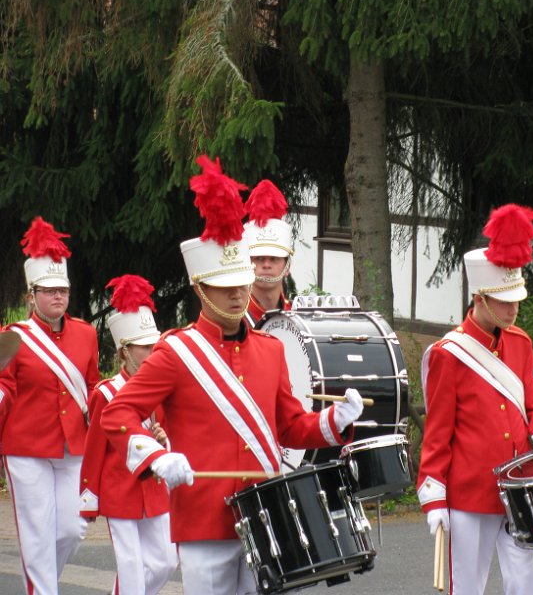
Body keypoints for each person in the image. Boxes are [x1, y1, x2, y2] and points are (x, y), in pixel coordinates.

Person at [100, 155, 365, 595]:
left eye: (242, 283)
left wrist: (333, 422)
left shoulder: (271, 348)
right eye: (227, 287)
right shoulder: (176, 352)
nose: (241, 292)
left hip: (266, 514)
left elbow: (290, 426)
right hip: (204, 520)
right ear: (201, 289)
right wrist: (154, 456)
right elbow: (118, 414)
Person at [417, 204, 533, 595]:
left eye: (517, 300)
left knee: (526, 582)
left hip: (521, 486)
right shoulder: (450, 354)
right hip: (470, 492)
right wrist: (433, 491)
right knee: (467, 586)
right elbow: (437, 431)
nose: (514, 308)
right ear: (479, 298)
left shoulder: (521, 342)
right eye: (504, 301)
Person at [0, 217, 101, 594]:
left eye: (63, 290)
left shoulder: (86, 334)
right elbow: (4, 388)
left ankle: (42, 583)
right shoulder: (12, 338)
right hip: (27, 448)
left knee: (73, 527)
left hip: (74, 445)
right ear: (31, 295)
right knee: (37, 532)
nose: (58, 297)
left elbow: (92, 386)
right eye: (49, 291)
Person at [80, 274, 178, 595]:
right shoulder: (106, 393)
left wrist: (164, 440)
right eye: (145, 347)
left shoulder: (160, 390)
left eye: (155, 346)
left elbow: (169, 434)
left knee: (166, 562)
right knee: (132, 570)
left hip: (154, 490)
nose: (152, 353)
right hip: (119, 493)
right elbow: (94, 450)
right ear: (124, 351)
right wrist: (87, 500)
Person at [242, 178, 294, 328]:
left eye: (274, 258)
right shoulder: (234, 322)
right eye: (259, 258)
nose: (266, 265)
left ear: (287, 266)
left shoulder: (296, 315)